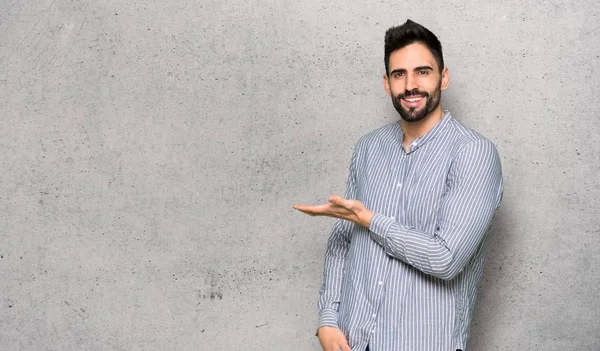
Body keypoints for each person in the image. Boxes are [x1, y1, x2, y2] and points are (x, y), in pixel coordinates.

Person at [293, 19, 503, 351]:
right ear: (386, 83)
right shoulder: (368, 148)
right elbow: (342, 243)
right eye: (399, 74)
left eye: (423, 71)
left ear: (443, 77)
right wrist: (328, 321)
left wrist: (370, 220)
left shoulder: (473, 153)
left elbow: (445, 258)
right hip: (353, 342)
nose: (410, 85)